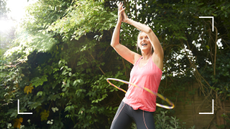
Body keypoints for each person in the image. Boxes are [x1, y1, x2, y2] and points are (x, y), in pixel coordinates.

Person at [110, 2, 164, 129]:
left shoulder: (157, 58)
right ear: (138, 44)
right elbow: (115, 44)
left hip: (145, 109)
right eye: (141, 38)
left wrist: (127, 20)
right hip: (127, 104)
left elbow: (149, 30)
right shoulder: (136, 59)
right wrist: (119, 21)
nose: (144, 40)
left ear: (151, 43)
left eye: (146, 38)